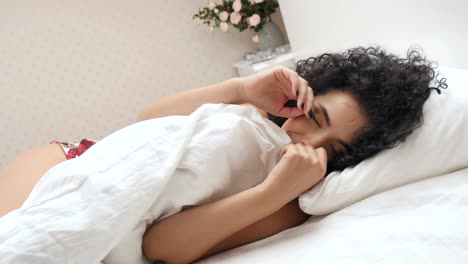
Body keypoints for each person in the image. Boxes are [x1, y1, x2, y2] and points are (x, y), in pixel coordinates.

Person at [0, 46, 445, 263]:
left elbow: (161, 245)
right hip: (74, 157)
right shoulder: (256, 110)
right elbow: (146, 121)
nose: (309, 144)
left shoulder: (292, 199)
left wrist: (274, 192)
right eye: (317, 118)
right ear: (308, 92)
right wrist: (239, 90)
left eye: (336, 150)